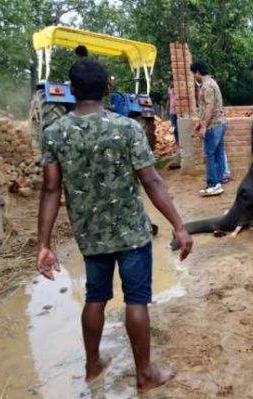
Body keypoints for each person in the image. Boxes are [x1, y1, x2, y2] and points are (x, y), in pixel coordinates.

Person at [36, 58, 193, 393]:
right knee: (136, 300)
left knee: (95, 297)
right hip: (131, 233)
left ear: (72, 90)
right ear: (108, 88)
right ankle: (145, 375)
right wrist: (179, 226)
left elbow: (50, 189)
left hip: (90, 235)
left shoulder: (54, 134)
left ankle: (92, 366)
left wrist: (43, 244)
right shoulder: (127, 128)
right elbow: (151, 180)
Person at [191, 60, 227, 196]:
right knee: (218, 153)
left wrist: (204, 126)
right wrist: (200, 122)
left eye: (193, 74)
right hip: (220, 123)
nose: (194, 76)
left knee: (209, 155)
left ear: (197, 72)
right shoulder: (211, 82)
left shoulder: (206, 86)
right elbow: (206, 107)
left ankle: (213, 184)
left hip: (213, 125)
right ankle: (218, 183)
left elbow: (209, 107)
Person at [167, 77, 181, 169]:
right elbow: (169, 100)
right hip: (172, 113)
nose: (171, 83)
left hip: (178, 113)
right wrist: (167, 109)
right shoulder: (169, 89)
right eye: (170, 81)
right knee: (175, 130)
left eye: (172, 81)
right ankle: (178, 146)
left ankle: (180, 148)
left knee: (179, 130)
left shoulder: (179, 89)